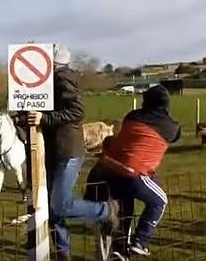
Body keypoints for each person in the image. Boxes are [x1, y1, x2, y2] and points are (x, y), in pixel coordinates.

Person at [26, 44, 119, 260]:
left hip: (67, 149)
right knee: (52, 209)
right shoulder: (49, 81)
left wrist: (44, 118)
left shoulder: (62, 78)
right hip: (52, 149)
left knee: (60, 204)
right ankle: (63, 253)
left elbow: (76, 111)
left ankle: (106, 211)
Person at [101, 85, 180, 258]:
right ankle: (140, 241)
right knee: (159, 201)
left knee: (124, 214)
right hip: (134, 172)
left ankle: (119, 251)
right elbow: (175, 136)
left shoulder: (132, 116)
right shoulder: (171, 127)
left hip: (111, 169)